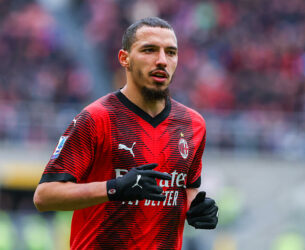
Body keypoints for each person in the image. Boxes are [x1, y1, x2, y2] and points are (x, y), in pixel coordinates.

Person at [33, 17, 218, 249]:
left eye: (170, 52)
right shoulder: (97, 118)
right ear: (125, 58)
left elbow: (187, 187)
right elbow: (44, 196)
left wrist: (198, 208)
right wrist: (115, 187)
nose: (161, 60)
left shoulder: (193, 124)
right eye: (149, 50)